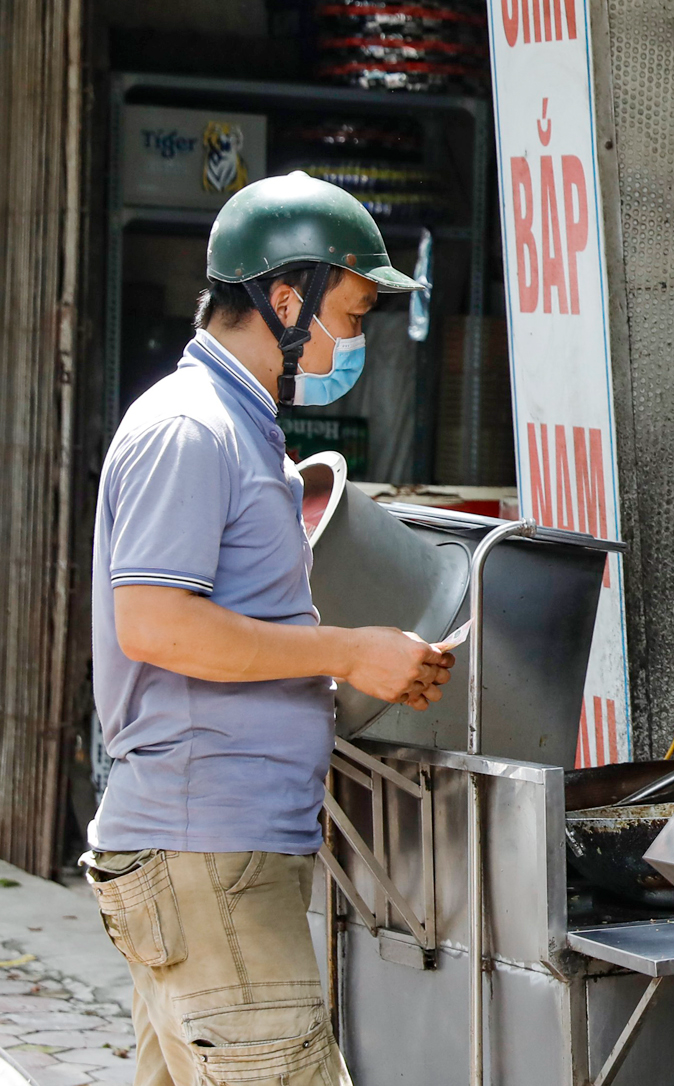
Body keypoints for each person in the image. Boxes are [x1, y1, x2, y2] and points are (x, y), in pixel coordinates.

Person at [83, 171, 455, 1086]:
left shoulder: (243, 430)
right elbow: (157, 624)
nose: (358, 340)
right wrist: (348, 651)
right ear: (287, 299)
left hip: (215, 851)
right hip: (208, 853)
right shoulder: (190, 429)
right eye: (355, 315)